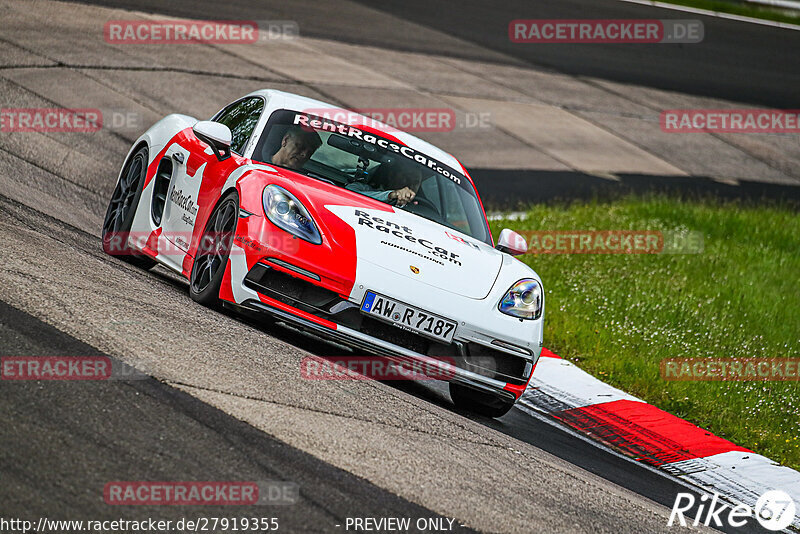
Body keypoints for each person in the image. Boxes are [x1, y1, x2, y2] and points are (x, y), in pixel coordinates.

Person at [347, 161, 424, 207]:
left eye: (416, 182)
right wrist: (392, 195)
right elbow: (348, 192)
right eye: (407, 178)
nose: (411, 185)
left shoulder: (422, 209)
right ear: (392, 175)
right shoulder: (365, 189)